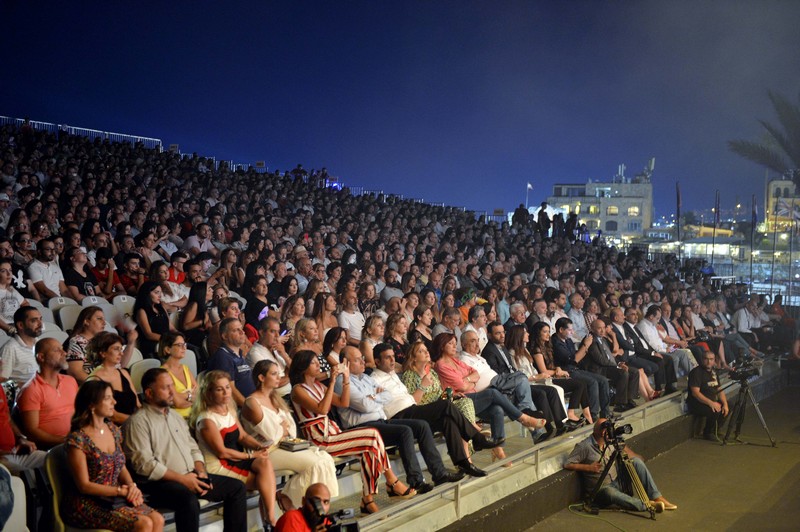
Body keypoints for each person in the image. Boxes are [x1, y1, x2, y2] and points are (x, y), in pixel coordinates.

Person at [289, 350, 416, 514]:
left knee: (371, 445)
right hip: (319, 437)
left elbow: (344, 402)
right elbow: (322, 409)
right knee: (372, 436)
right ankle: (389, 483)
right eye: (313, 363)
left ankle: (369, 499)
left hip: (332, 432)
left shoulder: (319, 385)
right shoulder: (298, 390)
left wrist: (347, 378)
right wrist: (333, 381)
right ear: (303, 367)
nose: (318, 364)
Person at [124, 368, 249, 532]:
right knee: (189, 501)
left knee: (237, 488)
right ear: (149, 393)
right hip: (158, 484)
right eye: (165, 388)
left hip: (191, 475)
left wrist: (201, 470)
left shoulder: (175, 416)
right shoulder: (138, 422)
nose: (172, 392)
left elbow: (193, 447)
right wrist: (183, 479)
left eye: (172, 386)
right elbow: (145, 465)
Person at [335, 345, 455, 492]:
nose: (362, 362)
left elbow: (387, 396)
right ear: (345, 364)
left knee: (421, 426)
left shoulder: (365, 378)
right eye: (357, 360)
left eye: (362, 358)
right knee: (404, 431)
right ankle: (416, 481)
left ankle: (439, 474)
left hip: (380, 421)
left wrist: (373, 397)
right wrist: (375, 398)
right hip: (363, 427)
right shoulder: (342, 382)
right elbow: (364, 406)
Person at [375, 342, 498, 477]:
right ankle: (476, 437)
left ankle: (463, 463)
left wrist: (451, 394)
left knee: (448, 420)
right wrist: (422, 386)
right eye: (388, 357)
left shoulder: (396, 374)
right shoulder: (376, 379)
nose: (393, 360)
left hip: (418, 409)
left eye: (393, 356)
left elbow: (440, 394)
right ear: (377, 361)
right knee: (446, 406)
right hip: (402, 414)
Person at [64, 380, 164, 532]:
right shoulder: (78, 439)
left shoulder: (112, 429)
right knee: (144, 524)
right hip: (88, 503)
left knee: (158, 519)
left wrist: (132, 486)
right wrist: (120, 491)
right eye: (107, 398)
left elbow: (121, 465)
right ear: (92, 404)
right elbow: (84, 486)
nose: (114, 402)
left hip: (114, 497)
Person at [242, 360, 338, 509]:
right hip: (266, 451)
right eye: (274, 374)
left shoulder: (275, 398)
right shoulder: (252, 402)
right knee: (315, 463)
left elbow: (291, 428)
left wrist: (281, 429)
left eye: (278, 373)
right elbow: (271, 436)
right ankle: (297, 507)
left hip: (287, 444)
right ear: (261, 378)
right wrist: (281, 428)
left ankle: (314, 505)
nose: (278, 377)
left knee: (326, 459)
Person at [190, 370, 279, 529]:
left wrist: (259, 446)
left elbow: (243, 437)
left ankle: (270, 518)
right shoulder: (206, 419)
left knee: (265, 464)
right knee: (265, 481)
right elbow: (222, 452)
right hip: (218, 466)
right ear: (209, 393)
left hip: (234, 459)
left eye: (227, 387)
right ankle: (270, 521)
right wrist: (251, 454)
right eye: (219, 389)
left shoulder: (228, 410)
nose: (226, 392)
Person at [564, 419, 676, 513]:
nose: (611, 433)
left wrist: (635, 457)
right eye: (608, 431)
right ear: (602, 433)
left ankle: (657, 497)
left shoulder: (610, 441)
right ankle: (647, 506)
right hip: (600, 490)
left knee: (636, 462)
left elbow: (624, 448)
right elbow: (568, 463)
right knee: (610, 492)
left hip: (617, 482)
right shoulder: (585, 446)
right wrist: (588, 468)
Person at [16, 338, 79, 449]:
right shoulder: (31, 389)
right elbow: (32, 431)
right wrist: (65, 441)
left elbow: (81, 412)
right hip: (53, 449)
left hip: (77, 441)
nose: (64, 353)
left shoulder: (71, 381)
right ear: (41, 357)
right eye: (57, 350)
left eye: (63, 349)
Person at [551, 317, 611, 418]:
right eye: (569, 330)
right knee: (592, 382)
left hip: (575, 369)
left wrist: (583, 350)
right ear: (561, 330)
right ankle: (592, 414)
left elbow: (576, 357)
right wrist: (585, 346)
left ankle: (605, 413)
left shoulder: (568, 340)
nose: (572, 332)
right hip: (566, 371)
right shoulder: (555, 342)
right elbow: (574, 360)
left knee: (603, 380)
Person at [584, 318, 639, 412]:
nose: (602, 331)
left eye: (604, 328)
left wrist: (619, 363)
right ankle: (620, 404)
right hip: (598, 369)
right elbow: (601, 360)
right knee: (623, 373)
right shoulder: (591, 341)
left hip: (608, 366)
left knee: (634, 371)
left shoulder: (603, 339)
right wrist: (617, 366)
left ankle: (628, 399)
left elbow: (609, 356)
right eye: (599, 328)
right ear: (592, 329)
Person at [207, 317, 256, 408]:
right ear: (225, 336)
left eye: (241, 329)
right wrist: (249, 408)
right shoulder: (223, 357)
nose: (242, 332)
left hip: (254, 402)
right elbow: (230, 389)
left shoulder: (240, 354)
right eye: (236, 330)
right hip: (241, 409)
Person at [687, 351, 729, 441]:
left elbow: (719, 389)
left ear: (714, 361)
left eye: (711, 359)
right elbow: (695, 393)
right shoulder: (696, 372)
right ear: (702, 360)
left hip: (711, 400)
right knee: (715, 410)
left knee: (729, 405)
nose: (709, 362)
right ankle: (708, 432)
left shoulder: (714, 372)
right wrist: (711, 403)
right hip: (696, 403)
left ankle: (716, 429)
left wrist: (725, 404)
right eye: (706, 359)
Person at [247, 317, 293, 399]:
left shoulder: (277, 348)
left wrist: (283, 354)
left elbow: (295, 367)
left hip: (291, 392)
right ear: (261, 333)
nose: (277, 336)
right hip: (276, 398)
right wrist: (289, 373)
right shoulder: (255, 353)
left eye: (278, 332)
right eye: (272, 331)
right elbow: (272, 383)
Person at [0, 305, 42, 386]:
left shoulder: (41, 343)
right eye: (34, 321)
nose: (40, 324)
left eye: (41, 319)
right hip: (24, 396)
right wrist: (30, 386)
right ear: (20, 325)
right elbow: (2, 382)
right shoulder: (9, 348)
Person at [159, 332, 197, 419]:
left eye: (184, 344)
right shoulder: (162, 373)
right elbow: (178, 403)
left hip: (194, 415)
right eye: (179, 345)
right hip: (177, 419)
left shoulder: (185, 368)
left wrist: (182, 395)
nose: (184, 348)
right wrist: (191, 395)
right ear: (168, 349)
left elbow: (198, 394)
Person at [134, 281, 174, 358]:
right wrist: (168, 340)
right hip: (152, 345)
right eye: (156, 293)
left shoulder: (161, 308)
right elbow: (149, 335)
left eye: (160, 293)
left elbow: (172, 328)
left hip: (167, 341)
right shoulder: (141, 311)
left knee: (191, 349)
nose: (160, 296)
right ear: (147, 294)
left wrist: (179, 337)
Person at [0, 257, 29, 333]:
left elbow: (25, 303)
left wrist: (23, 318)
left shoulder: (11, 289)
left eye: (10, 270)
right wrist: (10, 328)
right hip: (3, 329)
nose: (9, 274)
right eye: (3, 271)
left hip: (18, 325)